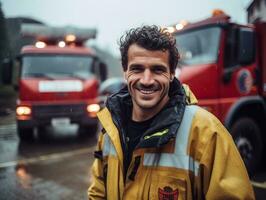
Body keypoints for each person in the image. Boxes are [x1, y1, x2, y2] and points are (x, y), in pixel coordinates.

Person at [88, 25, 255, 200]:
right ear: (125, 72)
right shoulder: (110, 126)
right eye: (137, 69)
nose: (146, 80)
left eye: (157, 70)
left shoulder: (206, 132)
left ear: (172, 74)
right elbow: (98, 190)